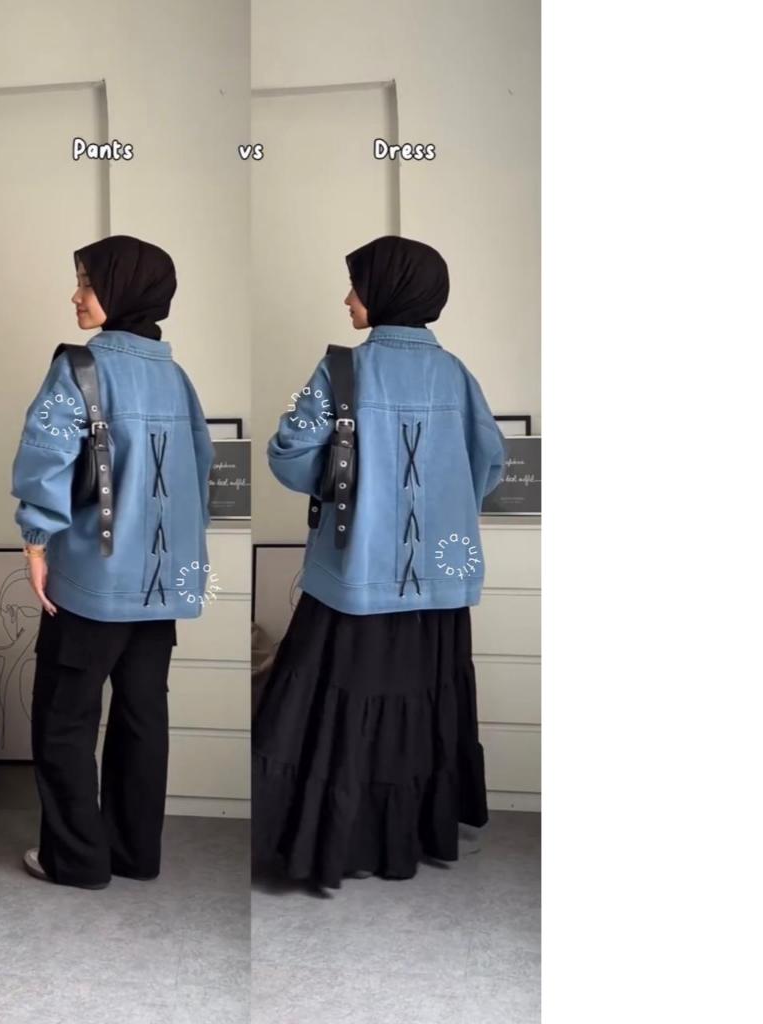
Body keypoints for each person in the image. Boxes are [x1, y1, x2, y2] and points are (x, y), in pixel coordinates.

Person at [251, 234, 506, 891]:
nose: (347, 298)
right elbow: (490, 465)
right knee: (424, 705)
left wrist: (352, 492)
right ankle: (414, 837)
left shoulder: (342, 370)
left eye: (357, 285)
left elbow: (287, 455)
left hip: (354, 579)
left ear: (388, 290)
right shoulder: (457, 376)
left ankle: (331, 845)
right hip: (438, 590)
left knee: (334, 709)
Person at [10, 234, 215, 889]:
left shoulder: (80, 368)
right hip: (159, 586)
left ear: (122, 290)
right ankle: (133, 853)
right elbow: (200, 473)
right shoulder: (177, 378)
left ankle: (75, 859)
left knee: (65, 719)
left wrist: (35, 543)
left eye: (88, 282)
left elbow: (46, 459)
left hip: (92, 581)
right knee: (142, 715)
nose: (76, 295)